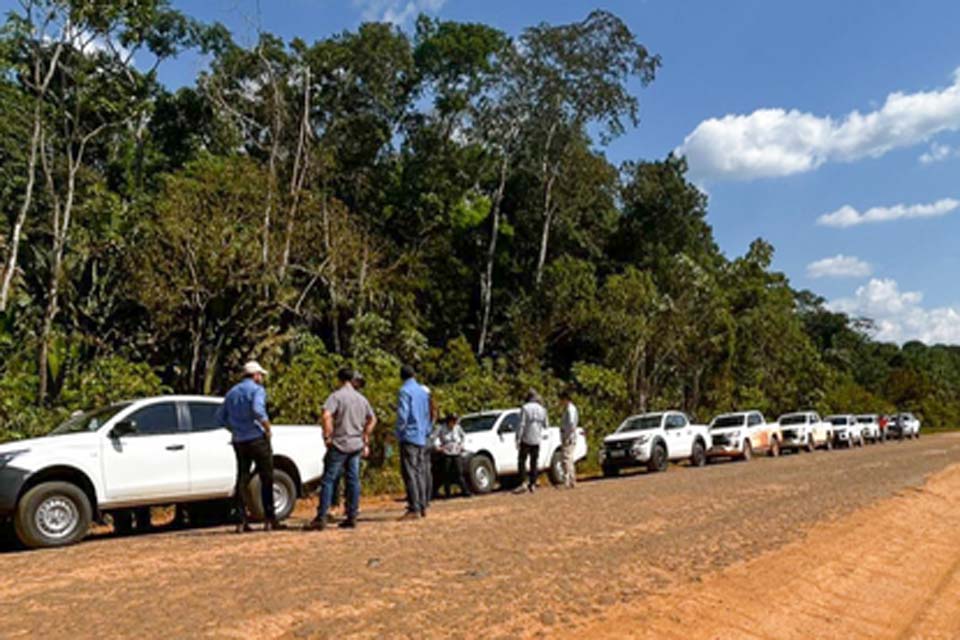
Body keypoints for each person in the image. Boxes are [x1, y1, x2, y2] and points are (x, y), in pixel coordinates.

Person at [215, 360, 286, 532]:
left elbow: (220, 417)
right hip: (257, 438)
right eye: (260, 375)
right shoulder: (257, 390)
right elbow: (258, 410)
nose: (261, 377)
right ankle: (270, 519)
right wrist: (267, 428)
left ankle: (240, 520)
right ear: (255, 375)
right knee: (266, 477)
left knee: (242, 477)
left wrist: (234, 428)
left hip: (239, 440)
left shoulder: (232, 393)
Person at [305, 367, 377, 531]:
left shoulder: (336, 396)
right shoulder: (361, 399)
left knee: (328, 479)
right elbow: (372, 419)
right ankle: (352, 515)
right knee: (353, 479)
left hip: (340, 443)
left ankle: (322, 516)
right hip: (356, 444)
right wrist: (365, 435)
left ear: (340, 380)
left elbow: (326, 415)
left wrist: (327, 435)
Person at [396, 365, 432, 520]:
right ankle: (423, 505)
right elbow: (428, 414)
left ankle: (414, 507)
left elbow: (403, 415)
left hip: (409, 436)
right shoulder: (423, 392)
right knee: (420, 472)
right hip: (421, 436)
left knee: (409, 473)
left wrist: (398, 431)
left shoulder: (404, 391)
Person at [515, 390, 548, 494]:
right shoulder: (542, 409)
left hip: (526, 438)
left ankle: (523, 482)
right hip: (537, 439)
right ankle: (533, 484)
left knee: (522, 461)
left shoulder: (525, 408)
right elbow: (546, 425)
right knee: (534, 462)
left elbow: (522, 424)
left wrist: (518, 437)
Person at [435, 414, 471, 498]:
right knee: (446, 473)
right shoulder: (441, 428)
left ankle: (465, 491)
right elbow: (434, 438)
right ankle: (448, 493)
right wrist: (438, 447)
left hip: (456, 451)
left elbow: (463, 436)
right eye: (453, 421)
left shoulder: (457, 427)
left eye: (455, 421)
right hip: (446, 452)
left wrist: (461, 445)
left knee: (459, 472)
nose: (454, 423)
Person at [559, 389, 580, 489]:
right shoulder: (569, 408)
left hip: (568, 436)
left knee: (566, 459)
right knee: (568, 459)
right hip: (568, 435)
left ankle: (568, 480)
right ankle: (571, 480)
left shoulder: (570, 409)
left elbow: (571, 424)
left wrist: (567, 435)